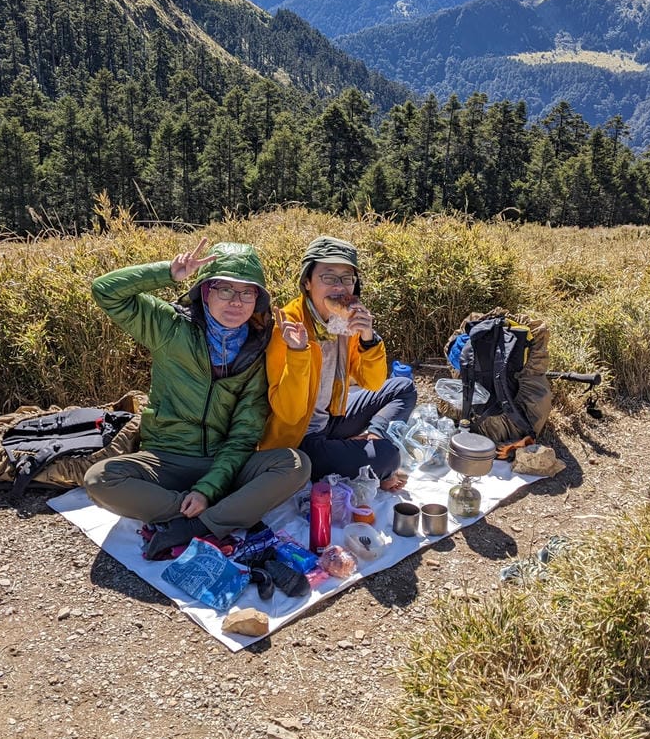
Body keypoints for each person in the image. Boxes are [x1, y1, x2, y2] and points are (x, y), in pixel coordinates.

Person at [84, 238, 310, 559]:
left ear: (257, 299)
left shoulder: (256, 352)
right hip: (166, 458)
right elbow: (105, 290)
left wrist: (208, 489)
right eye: (225, 290)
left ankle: (194, 523)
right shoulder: (169, 328)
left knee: (296, 464)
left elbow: (244, 435)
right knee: (100, 479)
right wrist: (168, 272)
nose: (236, 301)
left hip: (222, 462)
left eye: (247, 292)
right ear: (205, 292)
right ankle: (206, 514)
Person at [260, 236, 417, 489]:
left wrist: (369, 338)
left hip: (333, 415)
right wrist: (298, 351)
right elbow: (288, 414)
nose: (339, 287)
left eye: (347, 278)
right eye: (328, 277)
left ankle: (372, 435)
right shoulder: (288, 324)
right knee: (389, 457)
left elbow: (373, 382)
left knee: (402, 387)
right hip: (300, 437)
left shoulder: (343, 319)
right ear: (307, 282)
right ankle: (361, 450)